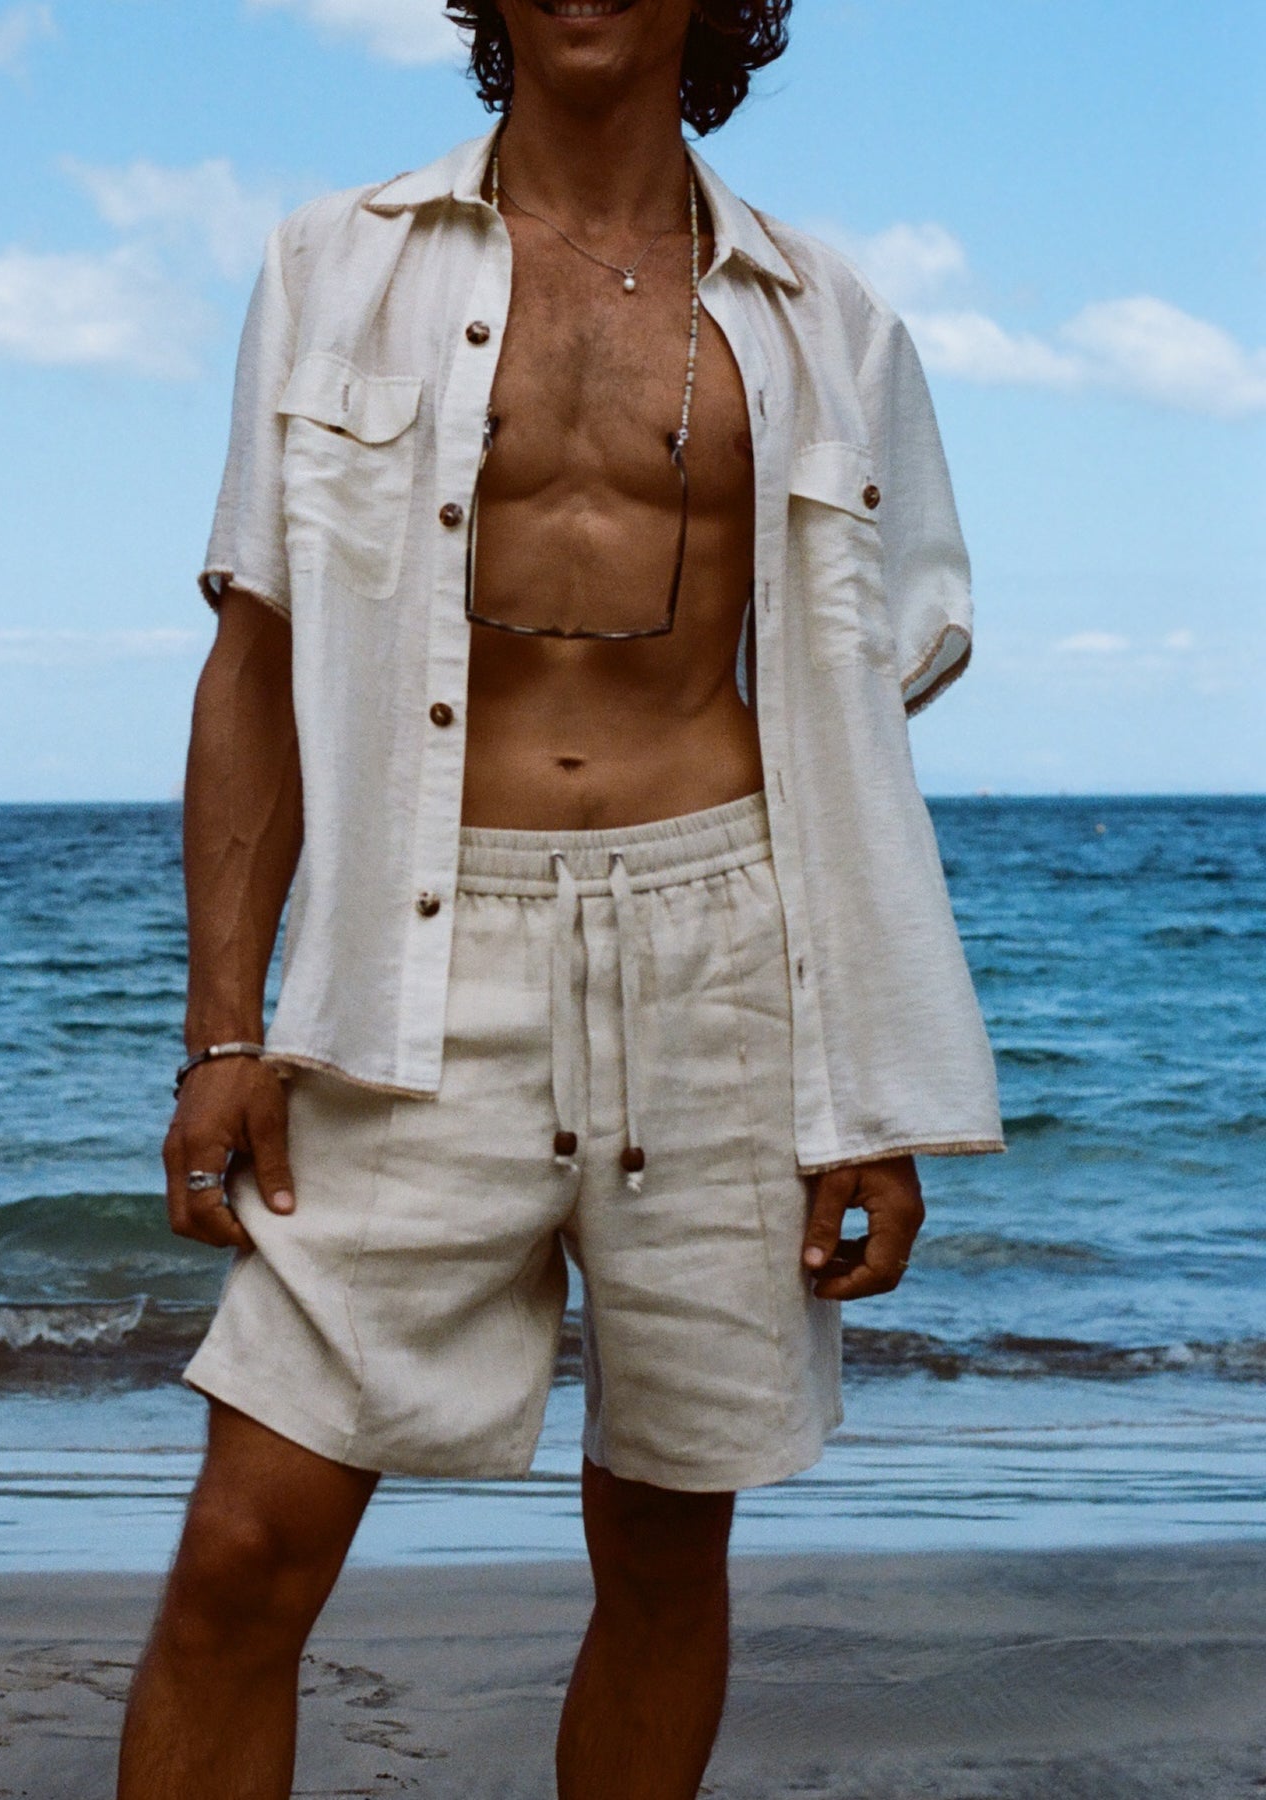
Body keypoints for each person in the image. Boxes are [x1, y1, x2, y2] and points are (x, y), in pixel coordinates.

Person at [118, 2, 1003, 1794]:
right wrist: (226, 1021)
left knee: (668, 1556)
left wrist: (866, 1088)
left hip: (727, 954)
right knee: (245, 1553)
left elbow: (849, 718)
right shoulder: (334, 266)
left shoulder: (831, 319)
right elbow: (254, 656)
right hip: (419, 960)